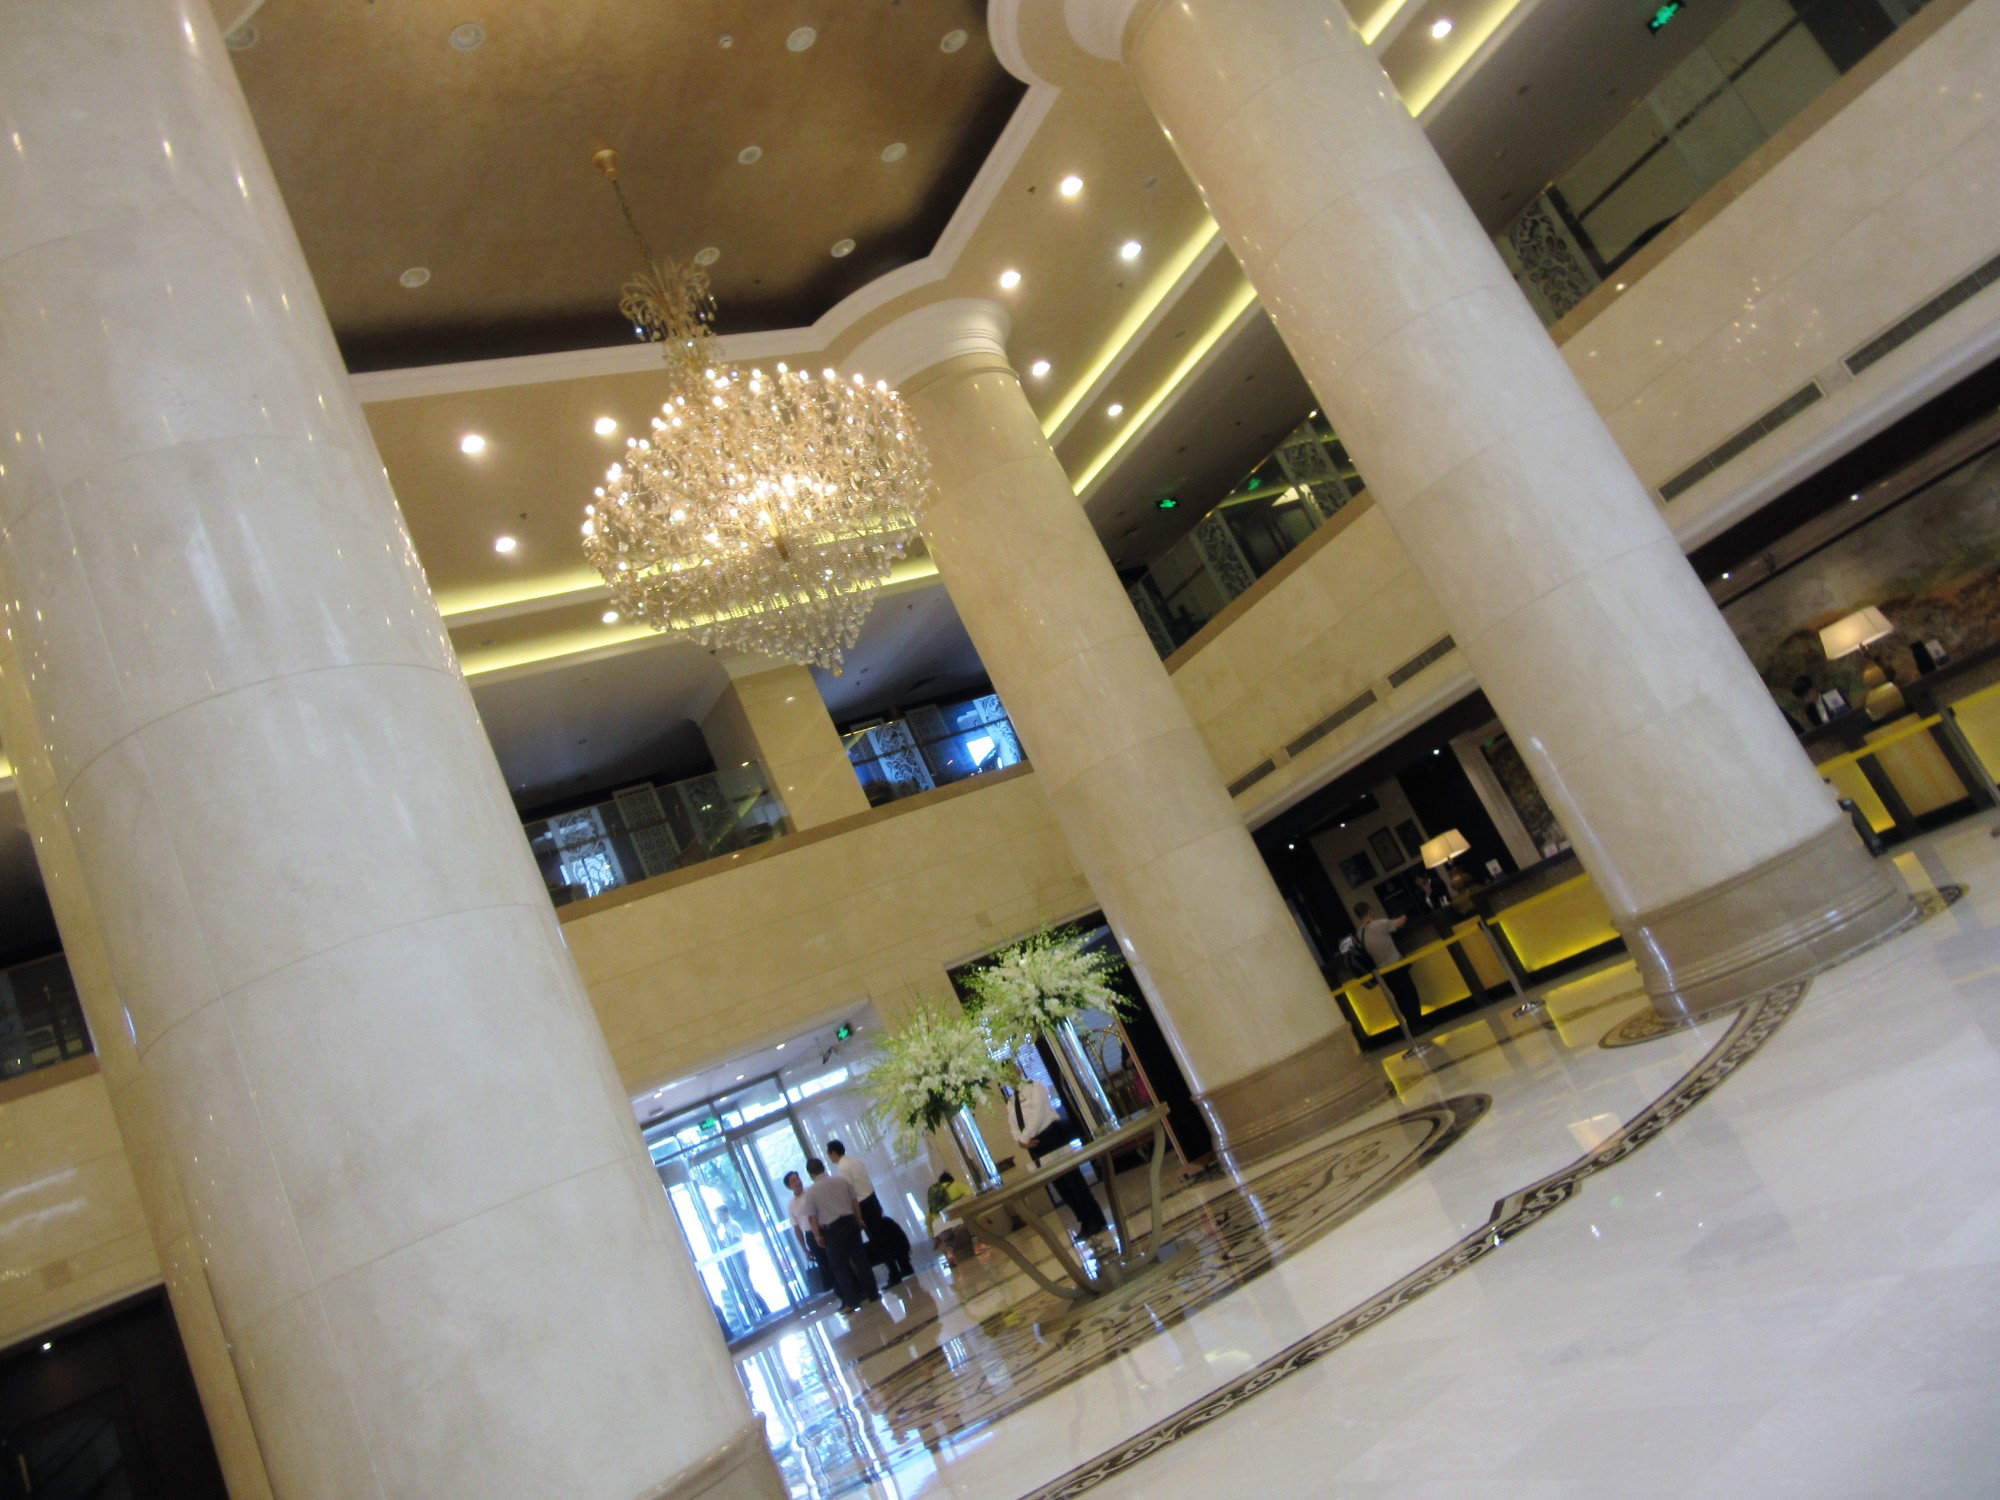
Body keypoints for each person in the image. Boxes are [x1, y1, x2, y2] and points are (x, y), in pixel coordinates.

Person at [1006, 1066, 1109, 1241]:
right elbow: (1013, 1125)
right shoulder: (1011, 1101)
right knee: (1061, 1186)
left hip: (1052, 1136)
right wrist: (1021, 1141)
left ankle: (1095, 1219)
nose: (1010, 1077)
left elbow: (1038, 1113)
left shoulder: (1035, 1086)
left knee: (1074, 1181)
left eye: (1011, 1071)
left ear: (1018, 1071)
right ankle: (1083, 1220)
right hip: (1036, 1145)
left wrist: (1025, 1137)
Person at [826, 1138, 915, 1286]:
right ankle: (903, 1266)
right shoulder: (857, 1162)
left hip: (862, 1206)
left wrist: (857, 1216)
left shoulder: (842, 1168)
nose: (830, 1158)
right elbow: (867, 1182)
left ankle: (893, 1272)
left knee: (877, 1241)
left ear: (834, 1153)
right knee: (884, 1237)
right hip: (872, 1200)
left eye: (829, 1154)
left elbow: (850, 1193)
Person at [804, 1156, 877, 1313]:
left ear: (810, 1174)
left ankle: (852, 1300)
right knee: (861, 1260)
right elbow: (854, 1201)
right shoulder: (841, 1181)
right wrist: (858, 1219)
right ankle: (873, 1294)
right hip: (850, 1223)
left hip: (832, 1231)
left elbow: (812, 1217)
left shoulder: (811, 1192)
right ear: (823, 1167)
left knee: (840, 1267)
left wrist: (817, 1235)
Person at [1355, 901, 1422, 1032]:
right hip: (1395, 965)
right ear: (1369, 910)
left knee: (1399, 996)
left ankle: (1411, 1025)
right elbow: (1399, 923)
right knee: (1409, 993)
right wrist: (1405, 914)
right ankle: (1418, 1023)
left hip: (1383, 971)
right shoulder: (1379, 924)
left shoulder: (1360, 933)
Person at [709, 1206, 769, 1329]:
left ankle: (764, 1310)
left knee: (748, 1287)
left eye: (720, 1215)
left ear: (726, 1213)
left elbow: (736, 1242)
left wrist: (726, 1246)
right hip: (736, 1261)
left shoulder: (733, 1226)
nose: (719, 1218)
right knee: (744, 1288)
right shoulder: (726, 1227)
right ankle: (757, 1312)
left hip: (740, 1260)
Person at [782, 1171, 832, 1299]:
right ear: (789, 1187)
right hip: (810, 1235)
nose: (797, 1182)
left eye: (797, 1178)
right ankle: (840, 1294)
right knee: (824, 1265)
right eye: (793, 1181)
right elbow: (797, 1228)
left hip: (823, 1228)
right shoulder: (791, 1206)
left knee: (836, 1259)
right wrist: (804, 1249)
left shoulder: (811, 1191)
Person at [926, 1172, 976, 1266]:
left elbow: (928, 1221)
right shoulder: (956, 1185)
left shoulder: (935, 1195)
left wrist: (933, 1236)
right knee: (973, 1229)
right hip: (957, 1219)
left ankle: (950, 1255)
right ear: (951, 1179)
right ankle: (977, 1245)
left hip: (940, 1225)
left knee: (948, 1241)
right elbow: (971, 1193)